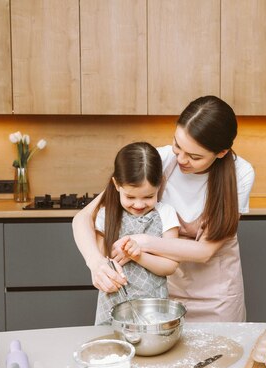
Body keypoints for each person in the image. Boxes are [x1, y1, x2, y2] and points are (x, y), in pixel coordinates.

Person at [73, 95, 255, 322]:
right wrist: (96, 263)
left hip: (218, 295)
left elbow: (204, 251)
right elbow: (83, 218)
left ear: (221, 153)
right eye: (177, 145)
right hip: (164, 289)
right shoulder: (159, 160)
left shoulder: (241, 174)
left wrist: (142, 242)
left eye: (195, 156)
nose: (181, 159)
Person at [89, 142, 180, 325]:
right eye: (130, 197)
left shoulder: (166, 214)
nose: (139, 205)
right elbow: (100, 259)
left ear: (160, 185)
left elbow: (170, 266)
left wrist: (138, 255)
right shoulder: (105, 215)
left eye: (148, 197)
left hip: (153, 309)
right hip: (111, 308)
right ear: (116, 184)